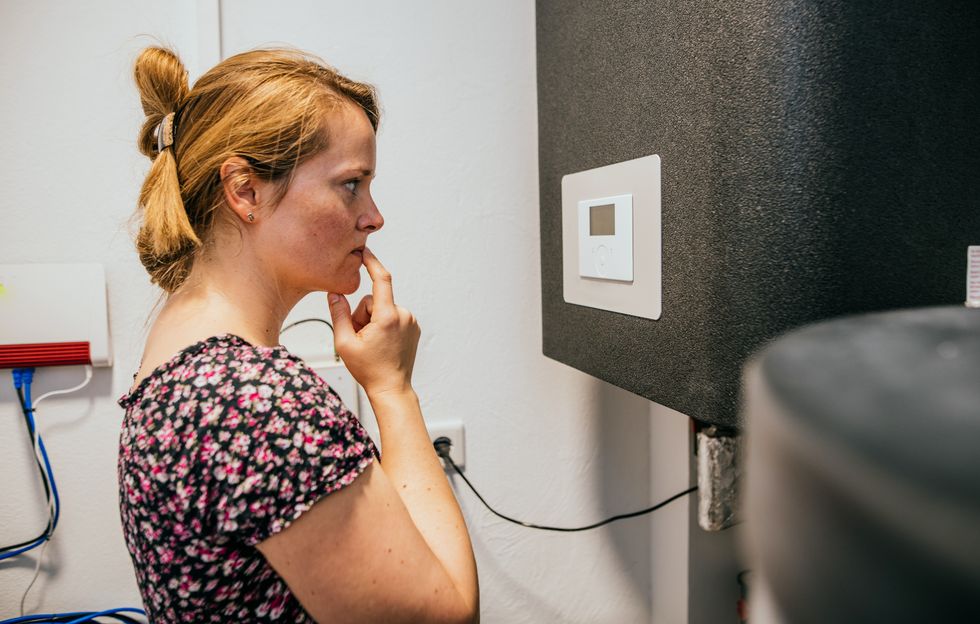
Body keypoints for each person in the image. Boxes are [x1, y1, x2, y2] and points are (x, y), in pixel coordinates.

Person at [117, 46, 479, 623]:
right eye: (351, 184)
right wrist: (392, 390)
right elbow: (450, 617)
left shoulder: (186, 351)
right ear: (245, 191)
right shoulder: (251, 400)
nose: (374, 215)